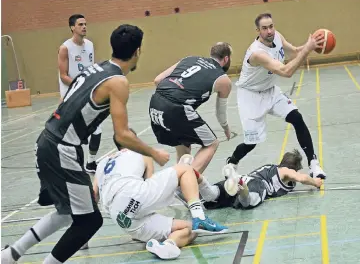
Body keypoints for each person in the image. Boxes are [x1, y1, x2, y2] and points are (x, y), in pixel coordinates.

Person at [1, 24, 170, 264]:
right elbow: (121, 136)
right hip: (62, 149)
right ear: (137, 52)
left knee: (67, 211)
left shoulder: (97, 67)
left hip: (47, 142)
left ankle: (10, 255)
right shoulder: (118, 82)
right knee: (90, 221)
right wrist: (153, 153)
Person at [92, 130, 228, 260]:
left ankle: (168, 245)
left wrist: (84, 235)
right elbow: (149, 183)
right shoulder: (142, 153)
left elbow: (94, 196)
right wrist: (175, 183)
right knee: (186, 169)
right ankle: (199, 216)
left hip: (121, 217)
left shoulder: (102, 164)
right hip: (133, 195)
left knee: (190, 228)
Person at [225, 12, 327, 179]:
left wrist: (310, 45)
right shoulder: (257, 53)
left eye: (271, 26)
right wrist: (307, 50)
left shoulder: (277, 37)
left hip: (270, 90)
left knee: (297, 118)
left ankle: (313, 164)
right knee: (252, 142)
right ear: (258, 31)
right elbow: (286, 71)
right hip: (250, 96)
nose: (269, 31)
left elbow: (294, 52)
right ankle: (232, 163)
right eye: (264, 28)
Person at [149, 42, 233, 175]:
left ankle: (177, 183)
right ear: (227, 59)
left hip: (155, 102)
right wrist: (226, 127)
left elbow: (158, 80)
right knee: (211, 143)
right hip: (177, 108)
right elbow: (220, 112)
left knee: (184, 148)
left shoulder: (189, 59)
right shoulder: (223, 79)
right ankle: (186, 183)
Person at [198, 149, 323, 210]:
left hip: (245, 178)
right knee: (248, 203)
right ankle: (239, 184)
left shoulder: (271, 167)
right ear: (294, 167)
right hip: (257, 185)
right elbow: (302, 178)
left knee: (211, 195)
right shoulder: (286, 171)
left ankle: (199, 179)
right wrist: (315, 182)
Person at [57, 14, 101, 174]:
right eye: (80, 24)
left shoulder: (89, 44)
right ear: (72, 28)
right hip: (72, 93)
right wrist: (79, 86)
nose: (84, 27)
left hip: (88, 91)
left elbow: (91, 67)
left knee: (97, 130)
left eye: (85, 24)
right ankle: (71, 165)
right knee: (73, 132)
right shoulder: (65, 48)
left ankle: (91, 162)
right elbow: (63, 75)